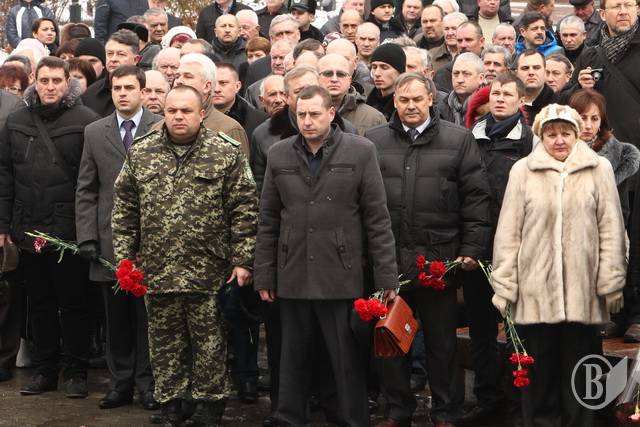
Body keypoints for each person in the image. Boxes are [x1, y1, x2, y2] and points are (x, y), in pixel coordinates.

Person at [111, 84, 258, 427]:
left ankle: (209, 406)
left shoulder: (225, 152)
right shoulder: (142, 151)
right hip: (157, 269)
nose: (178, 117)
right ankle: (171, 404)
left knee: (210, 341)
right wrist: (125, 259)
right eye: (172, 111)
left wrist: (243, 260)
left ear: (201, 113)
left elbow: (245, 209)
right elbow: (125, 208)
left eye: (186, 111)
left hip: (209, 270)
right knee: (164, 342)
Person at [254, 84, 398, 427]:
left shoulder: (360, 151)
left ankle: (351, 419)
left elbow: (377, 218)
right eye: (301, 114)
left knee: (345, 359)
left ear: (331, 113)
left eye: (314, 114)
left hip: (341, 275)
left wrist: (386, 277)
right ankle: (289, 418)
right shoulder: (279, 153)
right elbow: (268, 218)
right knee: (292, 358)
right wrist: (264, 274)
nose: (307, 121)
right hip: (293, 273)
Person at [365, 72, 491, 427]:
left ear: (431, 99)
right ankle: (396, 409)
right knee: (390, 339)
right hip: (390, 260)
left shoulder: (458, 139)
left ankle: (446, 411)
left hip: (439, 260)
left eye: (417, 99)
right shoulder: (373, 141)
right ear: (394, 101)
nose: (410, 106)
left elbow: (476, 197)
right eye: (404, 100)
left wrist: (471, 248)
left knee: (442, 344)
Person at [491, 103, 626, 427]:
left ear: (577, 134)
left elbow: (612, 230)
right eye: (551, 134)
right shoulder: (522, 171)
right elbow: (508, 233)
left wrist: (611, 282)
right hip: (535, 295)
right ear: (541, 136)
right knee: (539, 380)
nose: (559, 140)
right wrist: (505, 287)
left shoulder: (599, 169)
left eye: (566, 133)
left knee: (583, 378)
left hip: (584, 295)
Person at [0, 56, 101, 398]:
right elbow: (5, 175)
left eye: (57, 80)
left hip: (69, 229)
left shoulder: (86, 121)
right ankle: (45, 369)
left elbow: (92, 180)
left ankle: (76, 370)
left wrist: (88, 230)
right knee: (38, 303)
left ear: (67, 82)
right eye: (44, 80)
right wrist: (4, 223)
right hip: (28, 227)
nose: (50, 87)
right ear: (34, 80)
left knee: (73, 303)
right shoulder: (16, 121)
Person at [75, 64, 161, 411]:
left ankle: (148, 384)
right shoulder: (95, 132)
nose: (122, 94)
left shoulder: (160, 126)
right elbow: (86, 188)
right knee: (117, 320)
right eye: (116, 88)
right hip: (110, 243)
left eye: (129, 88)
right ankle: (120, 383)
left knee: (148, 320)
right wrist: (87, 236)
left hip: (153, 242)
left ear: (143, 91)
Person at [454, 72, 535, 425]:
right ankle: (487, 399)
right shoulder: (470, 137)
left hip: (515, 252)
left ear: (521, 100)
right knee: (481, 330)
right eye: (496, 93)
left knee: (516, 331)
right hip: (476, 249)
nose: (500, 99)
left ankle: (518, 404)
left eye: (507, 94)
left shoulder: (529, 141)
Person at [173, 53, 250, 157]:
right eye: (177, 76)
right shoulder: (159, 128)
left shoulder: (229, 130)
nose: (179, 81)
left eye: (188, 76)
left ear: (207, 86)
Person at [0, 88, 26, 383]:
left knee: (6, 290)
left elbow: (7, 172)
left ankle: (4, 357)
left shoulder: (12, 107)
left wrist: (4, 223)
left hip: (5, 208)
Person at [318, 53, 386, 135]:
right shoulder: (305, 113)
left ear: (349, 80)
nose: (334, 79)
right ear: (318, 78)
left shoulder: (373, 118)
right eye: (328, 74)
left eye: (341, 74)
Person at [83, 29, 141, 117]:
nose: (113, 59)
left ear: (136, 60)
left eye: (121, 54)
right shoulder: (91, 94)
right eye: (110, 54)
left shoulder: (148, 89)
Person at [213, 63, 269, 143]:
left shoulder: (259, 121)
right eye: (213, 83)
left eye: (223, 83)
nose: (217, 89)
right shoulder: (197, 118)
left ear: (237, 86)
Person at [434, 20, 483, 92]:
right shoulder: (443, 74)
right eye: (459, 41)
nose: (463, 45)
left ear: (481, 41)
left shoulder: (492, 68)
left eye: (468, 40)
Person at [439, 52, 485, 125]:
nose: (459, 80)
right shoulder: (440, 108)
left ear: (481, 78)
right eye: (456, 74)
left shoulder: (491, 109)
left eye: (466, 74)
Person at [515, 49, 557, 124]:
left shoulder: (558, 106)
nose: (531, 72)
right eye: (525, 68)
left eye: (536, 68)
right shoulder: (507, 103)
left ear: (545, 72)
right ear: (516, 73)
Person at [367, 43, 406, 120]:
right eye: (374, 67)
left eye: (384, 67)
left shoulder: (408, 105)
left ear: (399, 71)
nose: (377, 73)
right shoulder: (367, 101)